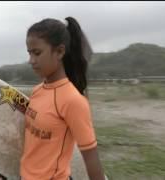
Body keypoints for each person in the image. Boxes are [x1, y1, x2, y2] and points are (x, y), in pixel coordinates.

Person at [20, 17, 107, 180]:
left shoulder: (72, 100)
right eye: (29, 53)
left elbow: (91, 156)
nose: (31, 61)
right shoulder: (37, 91)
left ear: (60, 51)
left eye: (37, 53)